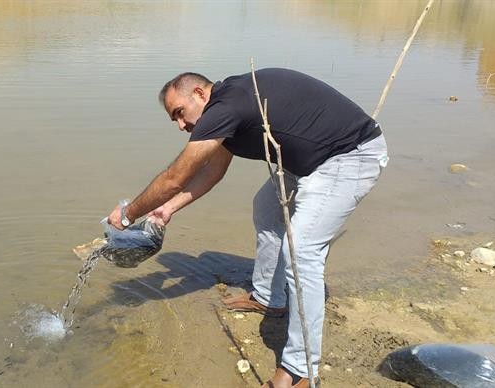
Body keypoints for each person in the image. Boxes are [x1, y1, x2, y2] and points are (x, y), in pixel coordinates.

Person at [107, 68, 388, 388]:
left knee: (303, 251)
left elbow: (175, 177)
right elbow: (212, 172)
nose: (181, 125)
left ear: (200, 94)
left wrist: (128, 215)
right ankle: (270, 297)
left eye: (180, 114)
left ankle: (300, 370)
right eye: (175, 121)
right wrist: (166, 209)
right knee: (267, 211)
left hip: (348, 157)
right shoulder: (228, 108)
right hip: (309, 162)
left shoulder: (227, 107)